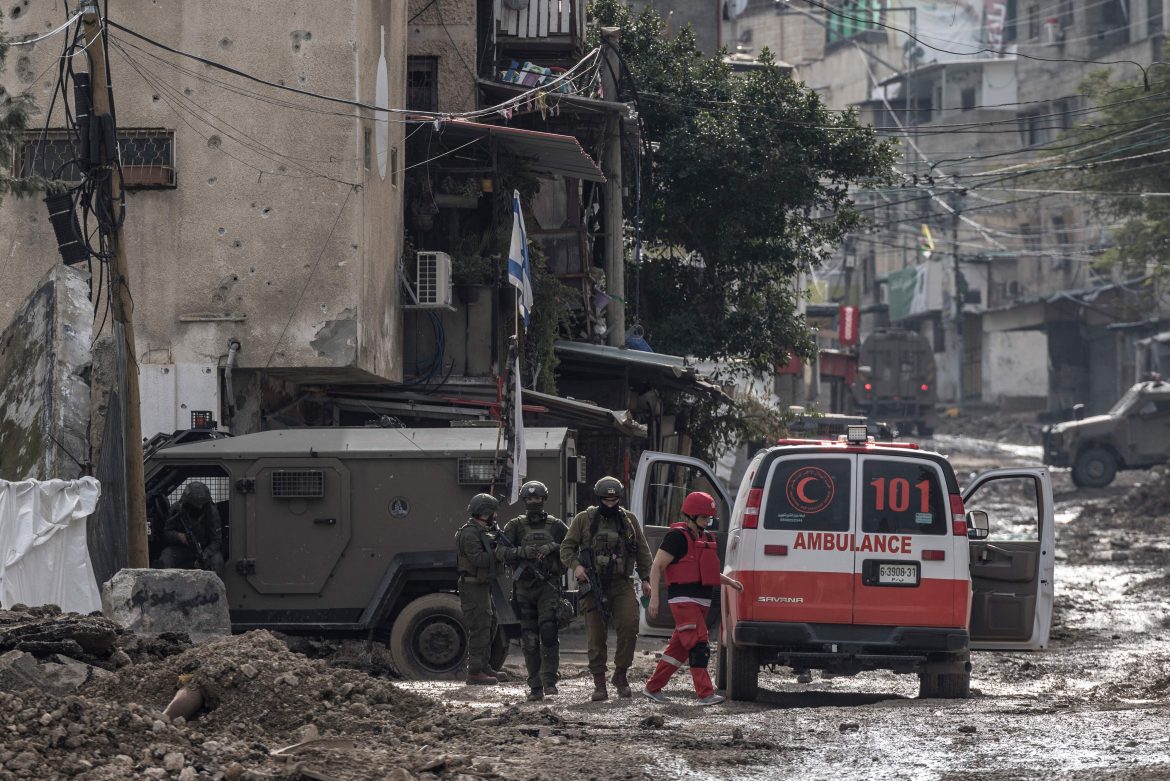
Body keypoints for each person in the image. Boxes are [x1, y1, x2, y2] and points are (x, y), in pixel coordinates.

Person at [643, 491, 743, 706]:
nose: (708, 522)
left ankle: (652, 688)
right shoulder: (676, 538)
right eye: (704, 518)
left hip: (702, 602)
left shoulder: (706, 538)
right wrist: (654, 599)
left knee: (678, 650)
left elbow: (706, 573)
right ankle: (705, 693)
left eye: (709, 518)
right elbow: (657, 566)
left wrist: (731, 583)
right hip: (683, 601)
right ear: (691, 515)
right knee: (699, 643)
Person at [560, 476, 653, 701]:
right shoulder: (584, 519)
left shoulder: (628, 520)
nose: (610, 504)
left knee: (630, 626)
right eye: (606, 500)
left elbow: (642, 550)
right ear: (599, 498)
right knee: (596, 635)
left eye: (614, 500)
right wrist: (577, 567)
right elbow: (566, 548)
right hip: (592, 584)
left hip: (621, 583)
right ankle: (599, 683)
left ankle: (620, 674)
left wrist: (646, 578)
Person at [495, 480, 569, 701]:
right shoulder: (515, 526)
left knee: (548, 632)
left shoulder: (556, 526)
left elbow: (572, 546)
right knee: (528, 637)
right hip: (524, 588)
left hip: (548, 587)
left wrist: (552, 547)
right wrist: (522, 552)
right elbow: (500, 552)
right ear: (525, 501)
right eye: (529, 499)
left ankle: (549, 682)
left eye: (537, 498)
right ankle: (535, 685)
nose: (533, 502)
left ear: (544, 499)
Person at [455, 493, 510, 685]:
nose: (496, 516)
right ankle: (475, 672)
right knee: (480, 626)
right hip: (472, 585)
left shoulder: (481, 531)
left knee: (490, 622)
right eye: (493, 513)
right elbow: (477, 559)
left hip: (481, 584)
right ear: (486, 514)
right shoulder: (469, 533)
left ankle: (484, 666)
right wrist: (498, 553)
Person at [156, 481, 225, 574]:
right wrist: (177, 536)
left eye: (202, 504)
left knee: (217, 561)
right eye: (196, 504)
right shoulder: (177, 509)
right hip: (183, 549)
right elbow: (166, 533)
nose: (200, 507)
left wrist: (204, 555)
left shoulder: (211, 512)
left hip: (205, 550)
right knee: (166, 556)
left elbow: (216, 541)